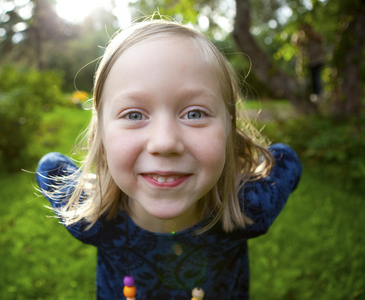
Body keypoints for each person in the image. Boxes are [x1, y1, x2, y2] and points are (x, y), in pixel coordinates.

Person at [36, 19, 302, 300]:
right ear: (101, 134)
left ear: (228, 130)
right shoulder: (91, 220)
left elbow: (287, 160)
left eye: (195, 113)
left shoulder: (250, 210)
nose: (164, 143)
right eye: (135, 115)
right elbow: (49, 167)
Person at [297, 23, 326, 101]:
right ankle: (315, 94)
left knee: (317, 77)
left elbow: (321, 39)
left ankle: (319, 94)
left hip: (318, 60)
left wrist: (309, 31)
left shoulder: (316, 37)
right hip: (311, 62)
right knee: (313, 78)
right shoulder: (306, 40)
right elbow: (298, 44)